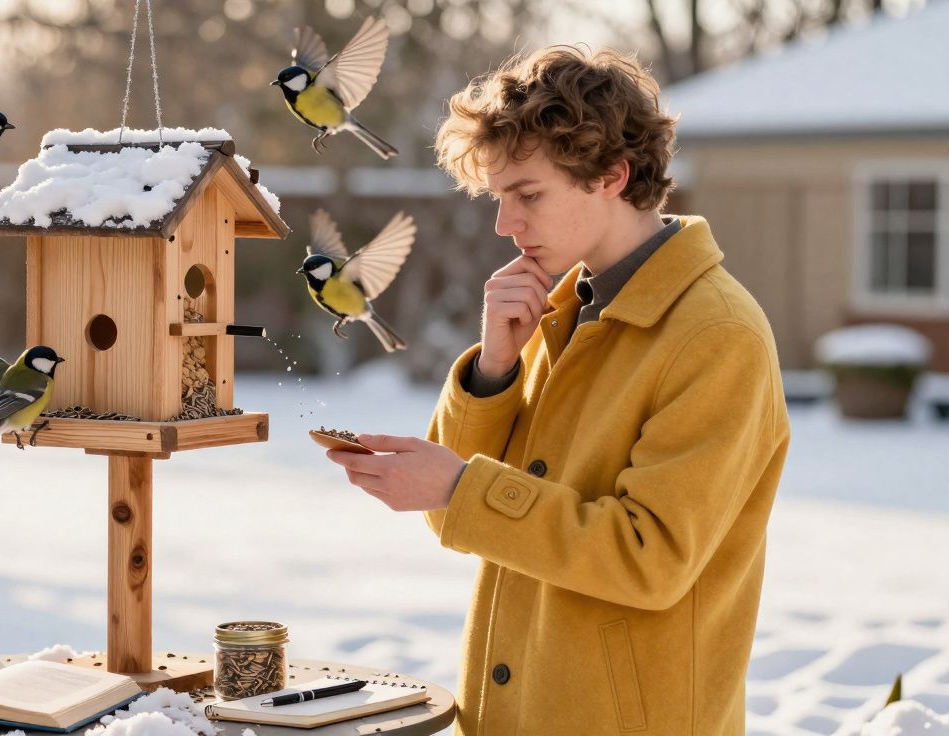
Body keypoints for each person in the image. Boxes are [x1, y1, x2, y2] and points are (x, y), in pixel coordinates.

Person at [326, 45, 791, 735]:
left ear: (612, 175)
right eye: (498, 197)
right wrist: (493, 373)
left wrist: (459, 488)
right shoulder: (561, 311)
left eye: (528, 195)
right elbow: (461, 515)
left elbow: (649, 559)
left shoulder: (716, 336)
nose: (504, 224)